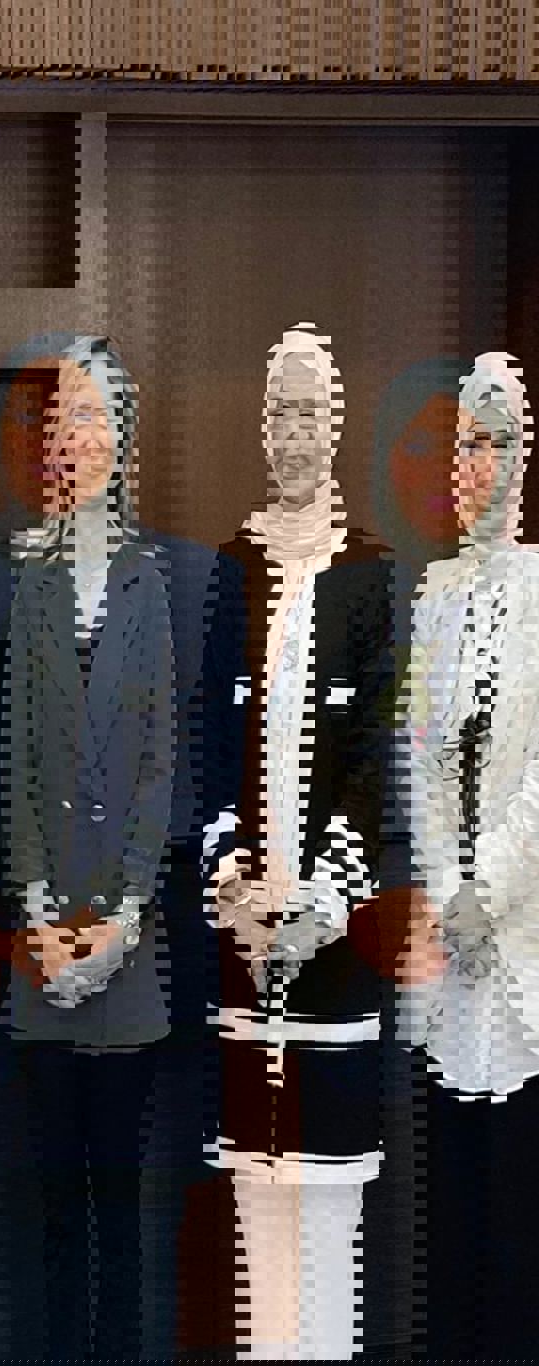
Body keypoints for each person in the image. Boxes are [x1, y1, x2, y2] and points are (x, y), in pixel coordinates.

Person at [200, 326, 404, 1359]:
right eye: (277, 411)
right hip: (242, 953)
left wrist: (324, 901)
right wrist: (229, 882)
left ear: (336, 427)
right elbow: (206, 744)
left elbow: (376, 760)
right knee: (255, 1208)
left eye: (308, 413)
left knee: (326, 1219)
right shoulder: (226, 571)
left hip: (334, 955)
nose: (290, 432)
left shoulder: (372, 576)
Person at [0, 335, 178, 1359]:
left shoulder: (151, 583)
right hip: (40, 953)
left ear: (122, 433)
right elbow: (18, 758)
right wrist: (35, 911)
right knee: (51, 1224)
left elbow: (158, 766)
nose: (80, 433)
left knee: (120, 1217)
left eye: (95, 412)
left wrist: (119, 920)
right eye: (65, 415)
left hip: (125, 954)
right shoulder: (28, 583)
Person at [401, 352, 539, 1360]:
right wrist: (449, 889)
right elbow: (414, 755)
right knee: (446, 1219)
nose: (476, 464)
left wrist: (487, 888)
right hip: (447, 952)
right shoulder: (432, 594)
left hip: (523, 949)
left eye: (493, 443)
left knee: (515, 1222)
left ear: (521, 457)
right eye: (463, 445)